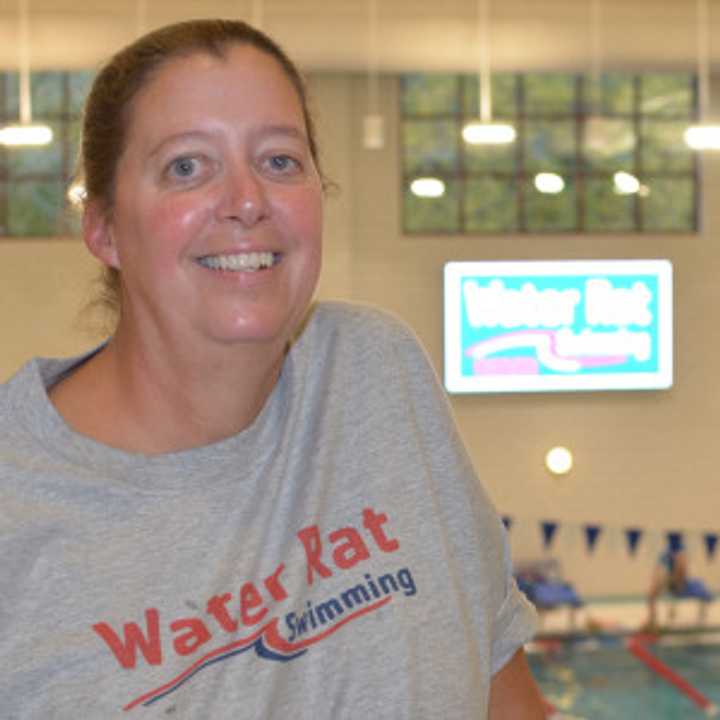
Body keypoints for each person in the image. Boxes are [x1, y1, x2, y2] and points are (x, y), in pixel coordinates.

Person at [0, 19, 545, 718]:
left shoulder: (376, 374)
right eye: (187, 166)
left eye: (280, 160)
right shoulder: (19, 502)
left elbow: (504, 696)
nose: (247, 199)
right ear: (103, 227)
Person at [644, 536, 713, 631]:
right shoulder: (667, 552)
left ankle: (670, 612)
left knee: (680, 572)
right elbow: (657, 570)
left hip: (682, 583)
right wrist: (656, 580)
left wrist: (675, 579)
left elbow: (682, 570)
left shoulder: (681, 553)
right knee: (653, 590)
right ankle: (653, 618)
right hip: (672, 582)